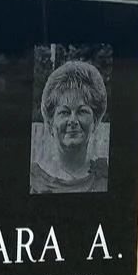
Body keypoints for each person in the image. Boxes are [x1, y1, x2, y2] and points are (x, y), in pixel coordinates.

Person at [29, 57, 108, 194]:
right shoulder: (34, 182)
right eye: (64, 112)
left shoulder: (105, 178)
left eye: (82, 111)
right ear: (50, 123)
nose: (73, 120)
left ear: (95, 122)